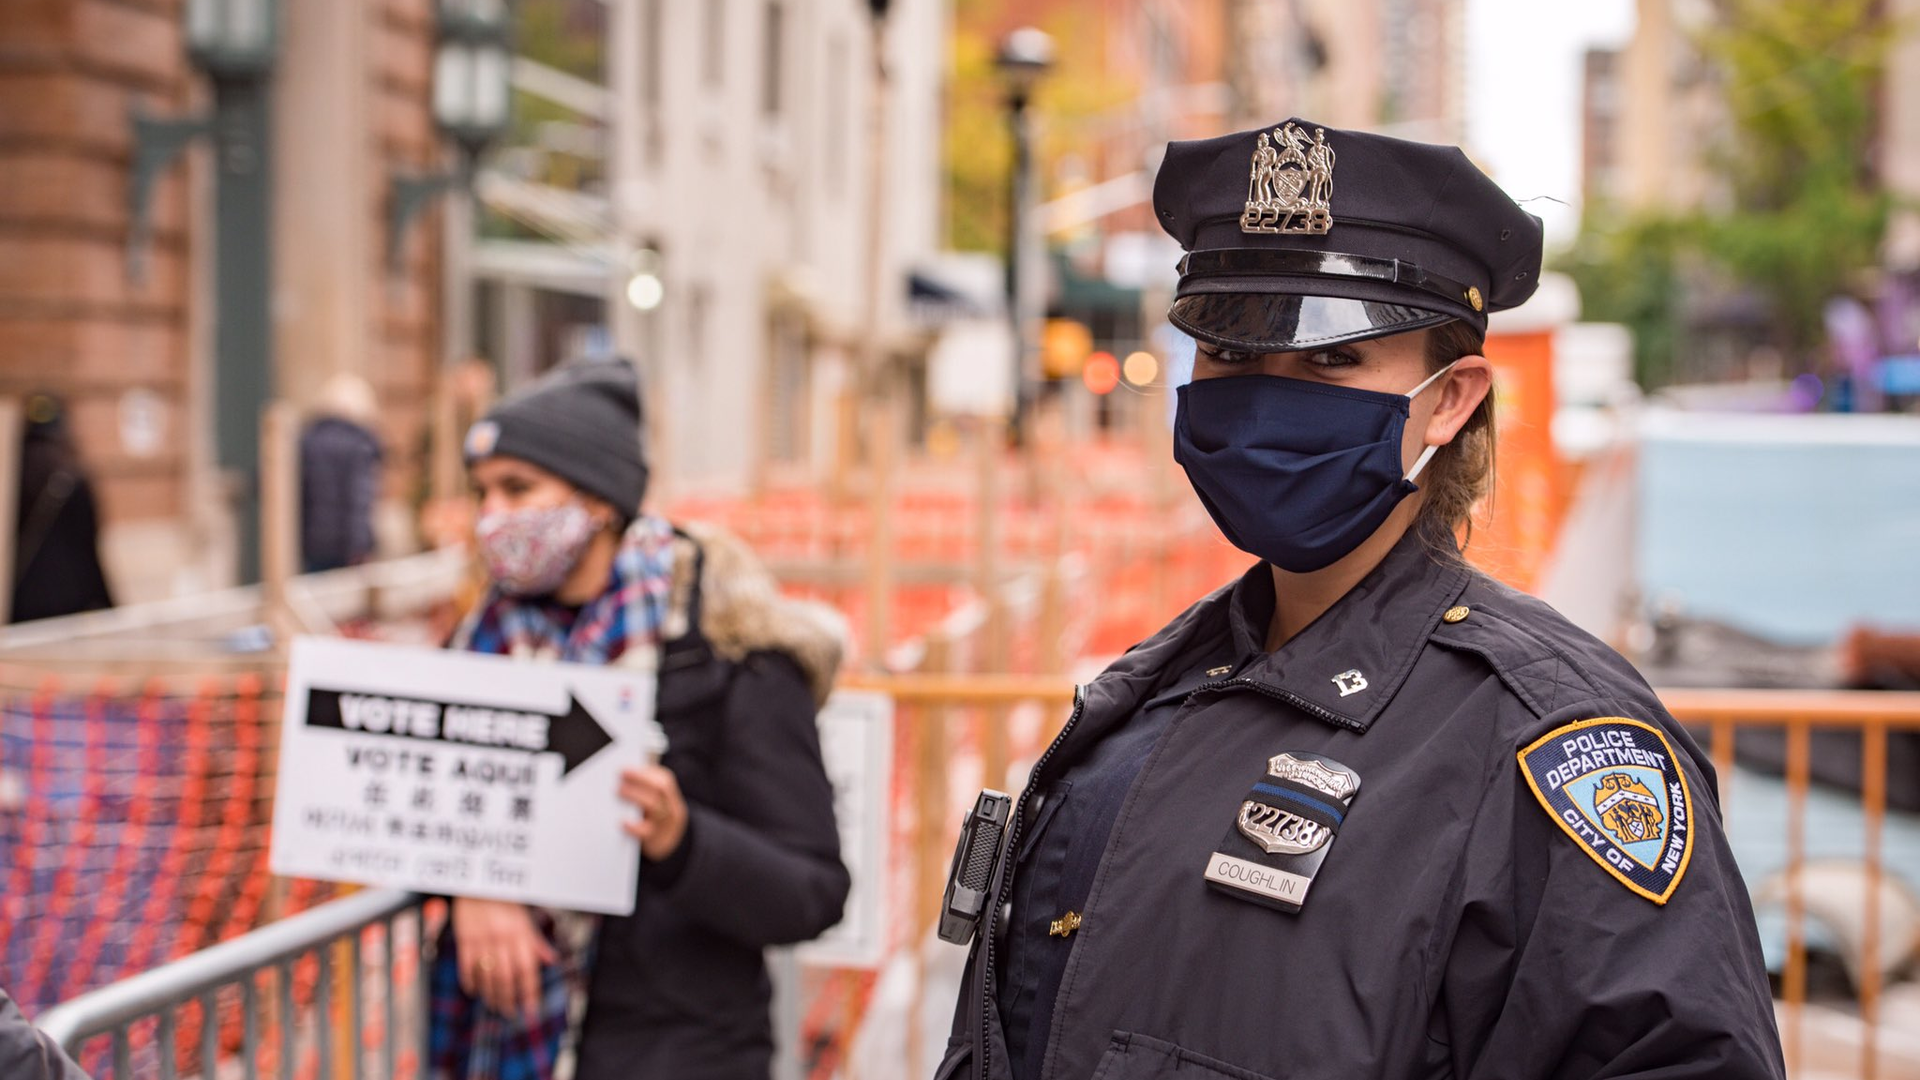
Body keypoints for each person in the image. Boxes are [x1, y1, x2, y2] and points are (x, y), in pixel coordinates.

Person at [936, 119, 1784, 1080]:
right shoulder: (1156, 690)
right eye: (1230, 352)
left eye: (1331, 360)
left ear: (1450, 400)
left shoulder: (1546, 736)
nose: (1264, 400)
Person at [429, 357, 851, 1080]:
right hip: (506, 1046)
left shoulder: (733, 651)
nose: (491, 516)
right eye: (482, 492)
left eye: (517, 489)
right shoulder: (481, 643)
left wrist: (682, 841)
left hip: (681, 1053)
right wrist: (473, 883)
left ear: (597, 499)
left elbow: (811, 890)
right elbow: (416, 810)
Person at [11, 394, 113, 623]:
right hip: (69, 599)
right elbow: (88, 547)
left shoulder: (11, 478)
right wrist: (106, 602)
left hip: (20, 598)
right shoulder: (72, 475)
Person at [299, 373, 384, 573]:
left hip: (311, 545)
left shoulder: (309, 441)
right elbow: (359, 500)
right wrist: (361, 547)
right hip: (346, 549)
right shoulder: (358, 444)